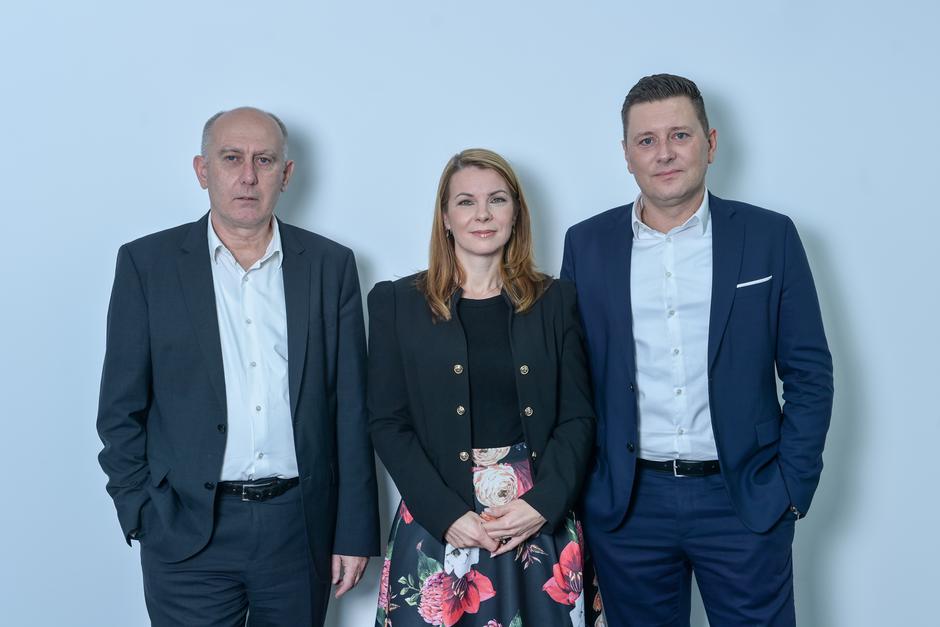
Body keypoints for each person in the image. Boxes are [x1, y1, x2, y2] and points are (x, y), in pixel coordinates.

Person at [562, 74, 834, 626]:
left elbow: (809, 372)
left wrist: (789, 486)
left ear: (710, 144)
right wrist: (586, 489)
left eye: (679, 135)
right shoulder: (586, 244)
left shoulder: (769, 236)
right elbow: (571, 378)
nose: (664, 153)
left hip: (744, 499)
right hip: (628, 506)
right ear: (627, 155)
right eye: (646, 140)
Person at [96, 107, 380, 626]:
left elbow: (351, 410)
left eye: (264, 160)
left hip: (299, 529)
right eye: (231, 158)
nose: (248, 176)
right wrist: (141, 511)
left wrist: (354, 531)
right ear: (202, 170)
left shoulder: (330, 266)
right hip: (185, 530)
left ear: (286, 175)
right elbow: (120, 410)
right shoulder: (147, 265)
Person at [368, 148, 596, 627]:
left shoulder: (556, 301)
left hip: (534, 520)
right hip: (437, 518)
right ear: (445, 218)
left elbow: (578, 416)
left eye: (497, 200)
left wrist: (542, 504)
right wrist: (446, 515)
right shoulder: (397, 303)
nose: (483, 214)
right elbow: (388, 423)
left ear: (516, 213)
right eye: (466, 202)